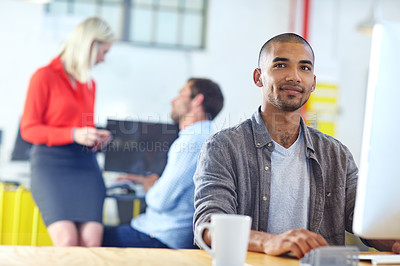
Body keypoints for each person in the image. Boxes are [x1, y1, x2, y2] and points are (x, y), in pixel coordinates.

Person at [193, 33, 400, 258]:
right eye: (281, 65)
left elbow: (364, 221)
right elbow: (208, 227)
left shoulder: (336, 154)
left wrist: (392, 239)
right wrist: (270, 242)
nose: (294, 76)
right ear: (258, 77)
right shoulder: (224, 147)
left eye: (304, 68)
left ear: (313, 83)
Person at [20, 17, 114, 247]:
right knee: (67, 240)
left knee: (91, 242)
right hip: (52, 165)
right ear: (91, 45)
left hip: (85, 165)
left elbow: (84, 126)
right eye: (104, 51)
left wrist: (95, 136)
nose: (103, 59)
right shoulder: (44, 76)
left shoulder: (89, 84)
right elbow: (28, 129)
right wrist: (72, 134)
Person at [102, 78, 224, 249]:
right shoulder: (208, 136)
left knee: (92, 237)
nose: (172, 101)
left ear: (198, 100)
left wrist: (150, 185)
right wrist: (144, 180)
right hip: (167, 232)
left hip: (160, 235)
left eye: (181, 94)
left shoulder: (192, 142)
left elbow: (161, 201)